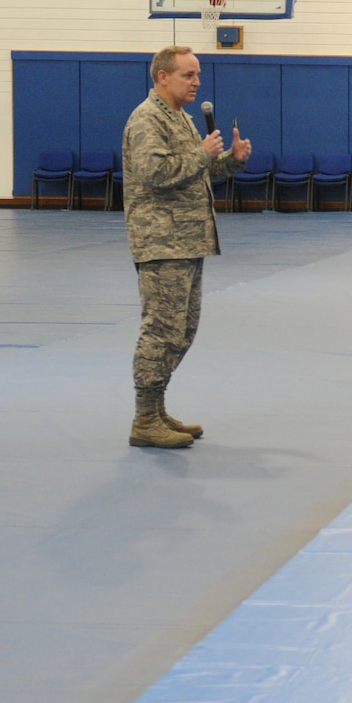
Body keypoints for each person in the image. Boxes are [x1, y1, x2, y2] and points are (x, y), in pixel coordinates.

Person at [121, 45, 251, 449]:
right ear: (162, 77)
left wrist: (230, 160)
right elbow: (157, 173)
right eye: (188, 75)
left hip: (187, 238)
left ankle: (157, 408)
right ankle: (144, 419)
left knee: (182, 330)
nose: (197, 82)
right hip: (161, 241)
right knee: (160, 330)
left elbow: (199, 171)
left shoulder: (179, 117)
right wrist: (201, 153)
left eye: (197, 75)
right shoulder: (147, 120)